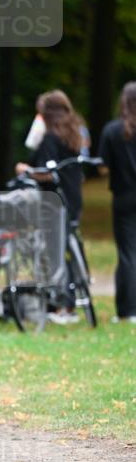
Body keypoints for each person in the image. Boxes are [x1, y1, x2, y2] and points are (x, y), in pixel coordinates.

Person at [15, 89, 86, 324]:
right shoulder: (74, 134)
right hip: (73, 198)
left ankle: (62, 305)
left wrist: (25, 170)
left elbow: (46, 172)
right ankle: (70, 300)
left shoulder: (50, 139)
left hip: (54, 201)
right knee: (66, 247)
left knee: (54, 251)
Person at [98, 81, 136, 324]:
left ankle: (128, 309)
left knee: (128, 253)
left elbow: (102, 167)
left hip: (124, 196)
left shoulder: (113, 130)